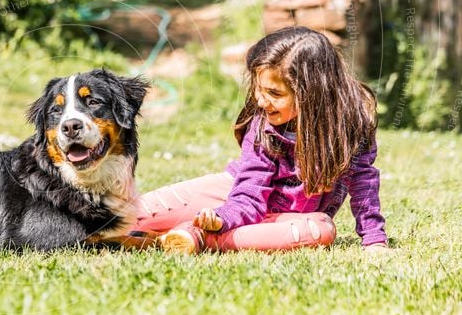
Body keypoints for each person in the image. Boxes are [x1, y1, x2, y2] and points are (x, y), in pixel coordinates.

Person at [131, 26, 389, 254]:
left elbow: (362, 182)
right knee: (129, 213)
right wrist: (223, 217)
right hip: (234, 192)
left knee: (320, 229)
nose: (262, 101)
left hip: (287, 220)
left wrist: (374, 240)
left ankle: (196, 237)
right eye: (258, 88)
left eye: (274, 93)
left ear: (311, 92)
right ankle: (161, 231)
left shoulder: (351, 124)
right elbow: (249, 194)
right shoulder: (263, 125)